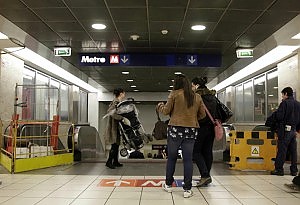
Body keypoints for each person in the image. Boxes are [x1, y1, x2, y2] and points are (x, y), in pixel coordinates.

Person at [157, 74, 205, 198]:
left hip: (175, 129)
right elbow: (202, 115)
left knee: (172, 157)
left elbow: (166, 111)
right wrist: (192, 119)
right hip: (191, 130)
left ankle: (168, 185)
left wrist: (160, 106)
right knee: (188, 159)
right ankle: (187, 190)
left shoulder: (174, 94)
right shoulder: (197, 96)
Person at [191, 76, 218, 187]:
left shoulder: (197, 97)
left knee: (195, 152)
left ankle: (205, 175)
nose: (191, 88)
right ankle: (206, 176)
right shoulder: (212, 96)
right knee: (207, 151)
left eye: (192, 85)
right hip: (212, 127)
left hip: (201, 127)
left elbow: (196, 113)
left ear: (197, 86)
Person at [269, 87, 300, 176]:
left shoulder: (284, 103)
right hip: (293, 130)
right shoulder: (298, 104)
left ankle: (279, 170)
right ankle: (294, 170)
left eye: (282, 94)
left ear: (286, 94)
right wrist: (297, 130)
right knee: (293, 151)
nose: (282, 96)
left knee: (282, 149)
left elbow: (279, 117)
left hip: (285, 130)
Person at [104, 88, 130, 169]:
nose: (124, 94)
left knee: (117, 145)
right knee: (114, 145)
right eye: (124, 93)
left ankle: (115, 161)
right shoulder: (116, 102)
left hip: (117, 127)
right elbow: (111, 112)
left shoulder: (117, 102)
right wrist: (121, 118)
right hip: (113, 128)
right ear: (121, 93)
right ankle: (109, 162)